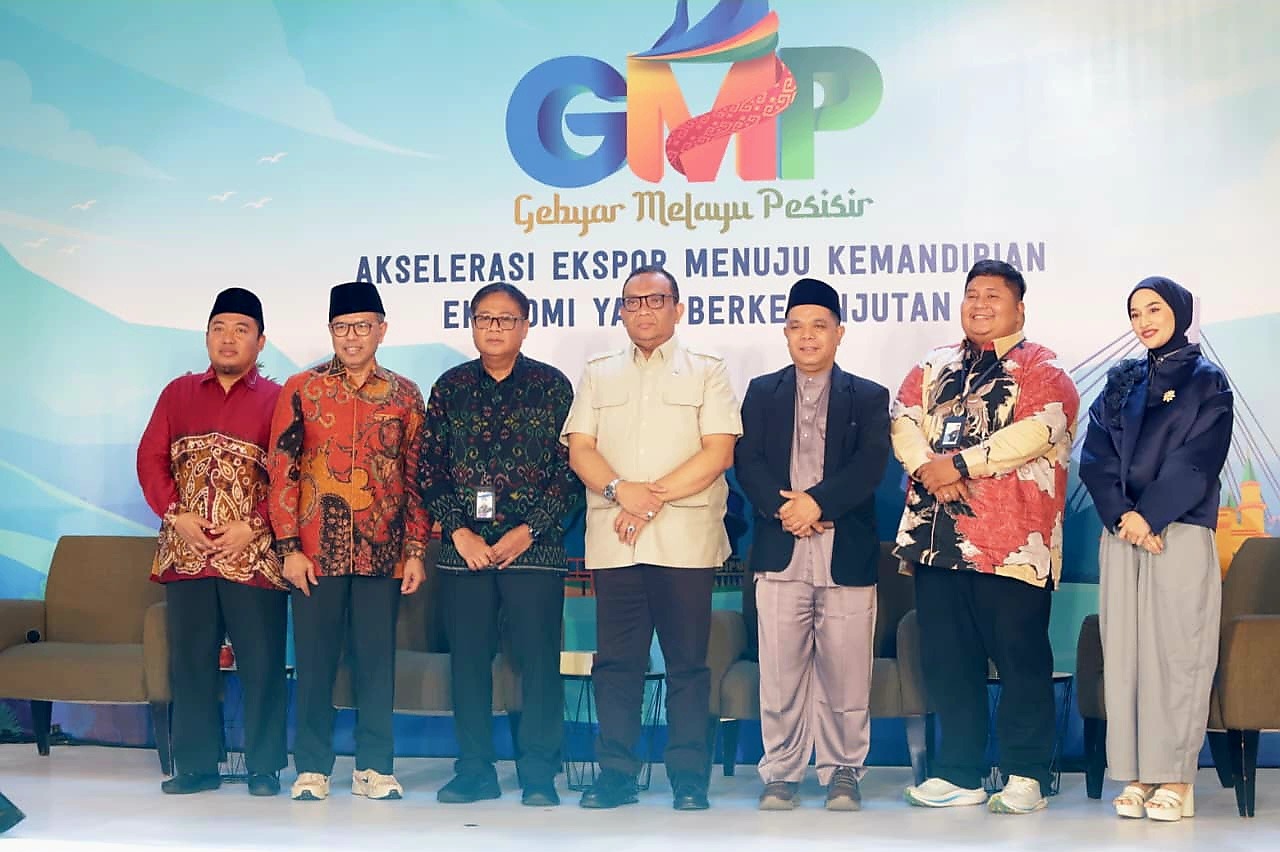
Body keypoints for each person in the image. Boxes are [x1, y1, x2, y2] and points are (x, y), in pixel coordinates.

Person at [893, 260, 1079, 814]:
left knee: (1021, 660)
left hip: (1013, 546)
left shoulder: (1043, 368)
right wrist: (928, 469)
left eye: (993, 295)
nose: (979, 304)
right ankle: (959, 772)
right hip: (937, 540)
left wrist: (958, 465)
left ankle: (1027, 774)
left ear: (1019, 308)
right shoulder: (932, 365)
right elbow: (903, 419)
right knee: (949, 660)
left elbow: (1038, 430)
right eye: (972, 294)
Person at [561, 265, 741, 811]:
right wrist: (622, 491)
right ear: (621, 311)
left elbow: (718, 452)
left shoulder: (707, 370)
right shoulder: (599, 373)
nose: (643, 310)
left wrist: (649, 499)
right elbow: (580, 449)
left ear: (678, 309)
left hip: (684, 538)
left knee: (687, 662)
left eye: (655, 300)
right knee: (617, 664)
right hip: (616, 540)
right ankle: (616, 774)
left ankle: (688, 777)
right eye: (632, 301)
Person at [419, 283, 582, 807]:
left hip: (534, 550)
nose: (494, 327)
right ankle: (474, 771)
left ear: (525, 325)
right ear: (471, 324)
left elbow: (571, 470)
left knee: (538, 663)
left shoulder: (552, 387)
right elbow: (429, 468)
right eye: (484, 318)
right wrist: (458, 530)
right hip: (464, 553)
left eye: (506, 319)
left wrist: (529, 530)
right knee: (468, 663)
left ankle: (538, 774)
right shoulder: (450, 387)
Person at [267, 281, 428, 802]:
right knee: (314, 664)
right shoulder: (303, 388)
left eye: (362, 326)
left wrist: (415, 551)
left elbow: (416, 477)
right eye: (342, 327)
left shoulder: (405, 394)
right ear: (331, 332)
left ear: (382, 329)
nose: (352, 337)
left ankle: (375, 767)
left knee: (376, 664)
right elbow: (282, 469)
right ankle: (312, 767)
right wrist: (288, 548)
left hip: (382, 553)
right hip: (315, 553)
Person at [1079, 277, 1233, 822]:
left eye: (1154, 309)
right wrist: (1124, 516)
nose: (1143, 321)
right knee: (1126, 654)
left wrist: (1151, 514)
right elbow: (1095, 456)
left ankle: (1176, 778)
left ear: (1180, 313)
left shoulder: (1207, 381)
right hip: (1123, 532)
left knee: (1177, 653)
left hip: (1179, 529)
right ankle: (1137, 773)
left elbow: (1199, 459)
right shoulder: (1120, 381)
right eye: (1135, 312)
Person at [734, 278, 891, 811]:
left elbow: (870, 466)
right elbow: (748, 462)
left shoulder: (868, 396)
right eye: (797, 326)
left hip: (845, 553)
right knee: (780, 674)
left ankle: (844, 771)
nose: (807, 336)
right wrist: (787, 510)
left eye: (819, 326)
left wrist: (816, 504)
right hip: (781, 551)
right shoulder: (761, 392)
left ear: (839, 333)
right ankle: (781, 772)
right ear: (785, 333)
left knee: (847, 674)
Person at [136, 287, 288, 796]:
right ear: (206, 336)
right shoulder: (177, 394)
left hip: (253, 556)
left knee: (262, 664)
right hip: (188, 553)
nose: (228, 338)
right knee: (191, 663)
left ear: (260, 342)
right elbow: (150, 459)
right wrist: (175, 515)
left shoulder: (278, 400)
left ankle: (264, 767)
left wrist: (254, 525)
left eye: (241, 330)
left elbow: (291, 475)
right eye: (219, 328)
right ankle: (197, 766)